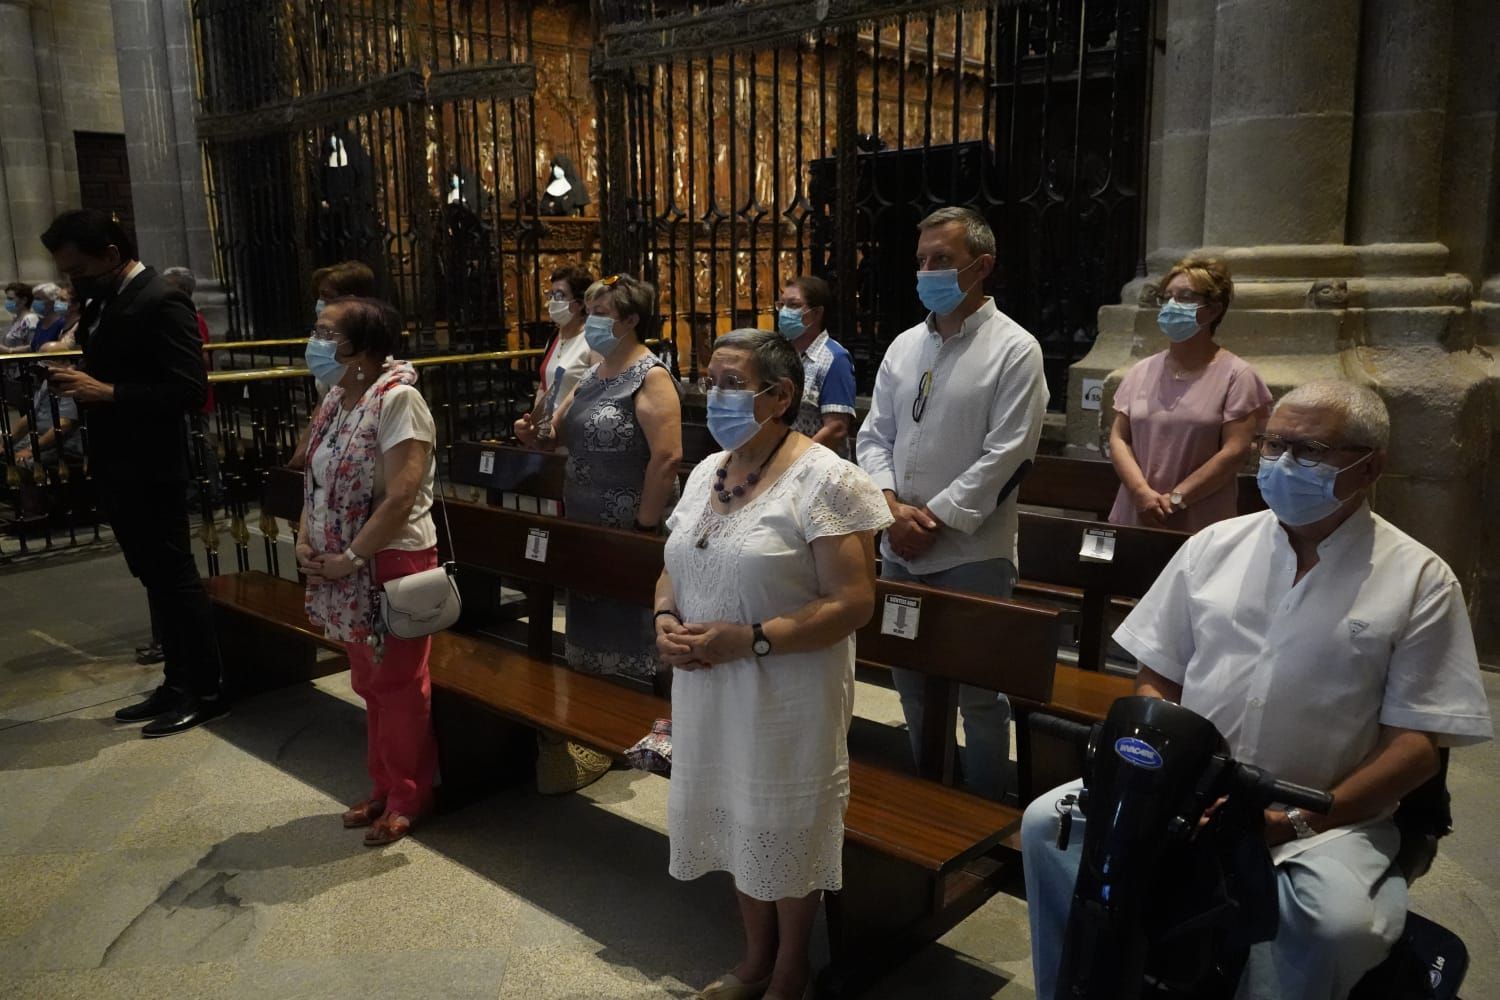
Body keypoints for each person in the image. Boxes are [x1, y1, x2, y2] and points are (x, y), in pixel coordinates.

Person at [1021, 379, 1492, 1000]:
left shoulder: (1419, 579)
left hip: (1322, 817)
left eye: (1309, 450)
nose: (1282, 463)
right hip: (1185, 790)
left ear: (1370, 466)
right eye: (1273, 445)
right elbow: (1158, 675)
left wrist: (1292, 821)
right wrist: (1163, 778)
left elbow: (1416, 747)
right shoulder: (1215, 546)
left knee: (1331, 926)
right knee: (1046, 827)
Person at [656, 328, 891, 1000]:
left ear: (780, 395)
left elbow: (852, 603)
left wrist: (751, 639)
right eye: (710, 380)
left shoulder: (828, 480)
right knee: (736, 815)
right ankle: (755, 959)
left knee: (782, 821)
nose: (714, 395)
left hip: (788, 687)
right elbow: (675, 565)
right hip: (709, 685)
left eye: (732, 383)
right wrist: (664, 618)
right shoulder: (708, 469)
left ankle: (792, 969)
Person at [854, 206, 1048, 801]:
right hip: (898, 545)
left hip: (971, 551)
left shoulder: (1014, 349)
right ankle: (929, 790)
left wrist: (932, 518)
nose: (928, 272)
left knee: (979, 693)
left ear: (981, 266)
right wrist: (889, 507)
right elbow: (874, 435)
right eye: (922, 261)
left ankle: (985, 804)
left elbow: (1009, 453)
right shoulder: (904, 346)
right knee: (910, 680)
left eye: (942, 259)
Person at [41, 208, 225, 737]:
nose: (74, 281)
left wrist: (107, 392)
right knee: (153, 578)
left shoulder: (161, 299)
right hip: (118, 460)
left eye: (79, 270)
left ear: (110, 255)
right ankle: (176, 681)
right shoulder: (106, 299)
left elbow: (188, 390)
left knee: (175, 579)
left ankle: (206, 690)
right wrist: (81, 379)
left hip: (152, 463)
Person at [514, 272, 682, 792]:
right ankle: (597, 727)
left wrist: (644, 526)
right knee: (590, 619)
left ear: (630, 319)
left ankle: (640, 726)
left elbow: (667, 457)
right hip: (585, 518)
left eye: (603, 313)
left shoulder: (650, 376)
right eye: (590, 311)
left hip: (630, 520)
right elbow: (556, 435)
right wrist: (533, 434)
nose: (592, 321)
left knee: (632, 624)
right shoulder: (592, 372)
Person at [295, 297, 440, 847]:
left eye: (325, 332)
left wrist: (352, 557)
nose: (314, 342)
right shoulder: (336, 398)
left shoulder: (399, 399)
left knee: (399, 684)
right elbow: (315, 479)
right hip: (342, 563)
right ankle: (382, 784)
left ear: (360, 347)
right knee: (368, 682)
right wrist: (305, 538)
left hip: (390, 558)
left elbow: (401, 495)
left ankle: (409, 795)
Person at [1108, 255, 1271, 530]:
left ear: (1213, 309)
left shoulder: (1237, 375)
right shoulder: (1140, 371)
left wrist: (1176, 499)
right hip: (1136, 511)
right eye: (1167, 297)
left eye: (1185, 297)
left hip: (1199, 520)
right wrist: (1140, 492)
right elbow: (1119, 438)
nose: (1172, 305)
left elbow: (1235, 451)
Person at [291, 260, 380, 469]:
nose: (320, 303)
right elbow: (323, 403)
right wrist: (303, 450)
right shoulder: (331, 371)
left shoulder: (390, 391)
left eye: (327, 296)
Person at [777, 275, 857, 459]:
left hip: (815, 463)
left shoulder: (835, 358)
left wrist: (796, 460)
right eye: (782, 305)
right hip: (780, 460)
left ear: (816, 313)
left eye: (793, 305)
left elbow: (836, 428)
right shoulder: (779, 353)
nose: (784, 312)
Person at [4, 344, 83, 518]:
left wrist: (32, 449)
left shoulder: (71, 381)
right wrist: (7, 442)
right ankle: (14, 504)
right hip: (41, 437)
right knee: (5, 454)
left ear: (63, 361)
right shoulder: (48, 381)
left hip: (64, 443)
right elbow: (29, 418)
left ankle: (34, 512)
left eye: (46, 360)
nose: (41, 366)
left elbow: (64, 425)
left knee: (24, 461)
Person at [530, 263, 597, 435]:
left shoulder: (592, 340)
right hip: (550, 433)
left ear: (579, 303)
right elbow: (545, 385)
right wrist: (534, 423)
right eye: (551, 295)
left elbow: (594, 392)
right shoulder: (554, 337)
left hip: (578, 432)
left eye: (560, 295)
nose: (553, 301)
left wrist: (555, 423)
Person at [26, 282, 67, 352]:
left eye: (38, 299)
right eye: (34, 299)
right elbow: (33, 347)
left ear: (53, 301)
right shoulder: (41, 322)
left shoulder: (62, 323)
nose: (35, 302)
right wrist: (10, 350)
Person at [1, 281, 38, 352]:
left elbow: (34, 346)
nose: (7, 301)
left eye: (10, 299)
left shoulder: (31, 319)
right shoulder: (16, 319)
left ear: (24, 300)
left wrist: (9, 350)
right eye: (7, 298)